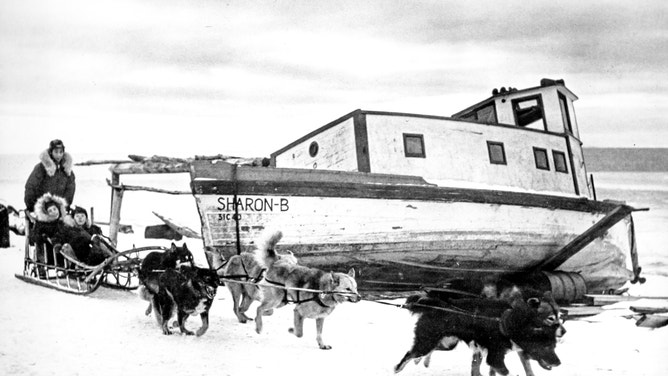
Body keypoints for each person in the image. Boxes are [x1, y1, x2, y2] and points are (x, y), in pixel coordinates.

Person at [31, 193, 111, 274]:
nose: (54, 212)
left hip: (76, 248)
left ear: (59, 209)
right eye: (50, 211)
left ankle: (110, 259)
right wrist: (44, 237)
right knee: (67, 247)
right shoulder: (43, 225)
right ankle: (79, 266)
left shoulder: (66, 222)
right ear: (46, 214)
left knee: (96, 244)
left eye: (54, 209)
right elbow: (36, 238)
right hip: (55, 252)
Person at [24, 139, 76, 213]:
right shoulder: (41, 168)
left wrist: (64, 207)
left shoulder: (67, 170)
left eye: (61, 152)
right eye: (56, 152)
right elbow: (30, 187)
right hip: (43, 210)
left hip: (60, 211)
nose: (58, 155)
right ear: (51, 152)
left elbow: (70, 191)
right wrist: (33, 208)